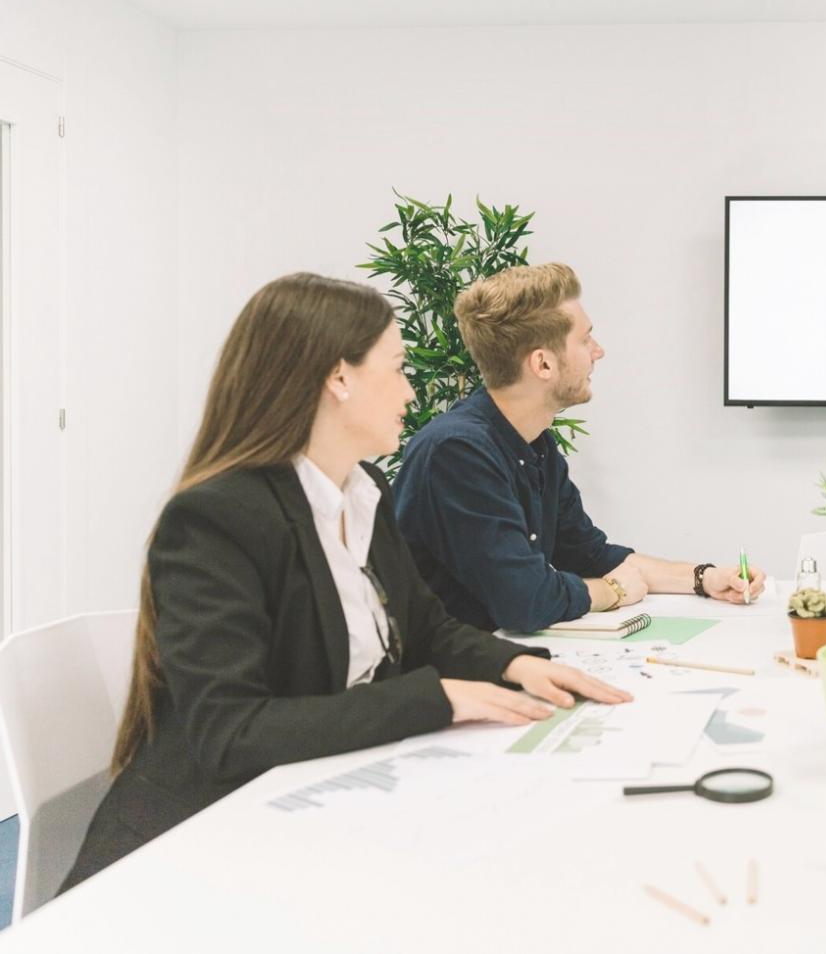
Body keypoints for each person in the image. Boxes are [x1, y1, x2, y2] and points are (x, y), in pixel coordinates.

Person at [62, 273, 629, 891]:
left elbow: (426, 627)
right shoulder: (217, 518)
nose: (412, 392)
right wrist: (440, 698)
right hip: (198, 846)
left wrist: (516, 666)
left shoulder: (363, 492)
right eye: (398, 368)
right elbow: (231, 731)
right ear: (339, 379)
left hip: (318, 802)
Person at [393, 263, 765, 634]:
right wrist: (611, 591)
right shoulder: (456, 453)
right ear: (543, 363)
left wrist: (705, 578)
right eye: (586, 340)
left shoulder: (535, 444)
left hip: (499, 656)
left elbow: (589, 554)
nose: (598, 352)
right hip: (449, 676)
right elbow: (525, 601)